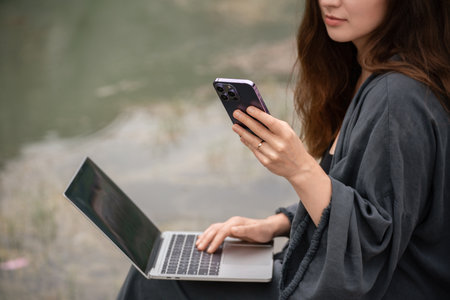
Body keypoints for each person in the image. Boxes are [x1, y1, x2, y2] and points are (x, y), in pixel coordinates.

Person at [117, 0, 450, 299]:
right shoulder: (373, 72)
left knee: (157, 279)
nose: (329, 2)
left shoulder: (398, 96)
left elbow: (369, 250)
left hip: (379, 288)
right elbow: (370, 196)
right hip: (343, 273)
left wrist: (300, 168)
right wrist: (278, 224)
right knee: (166, 265)